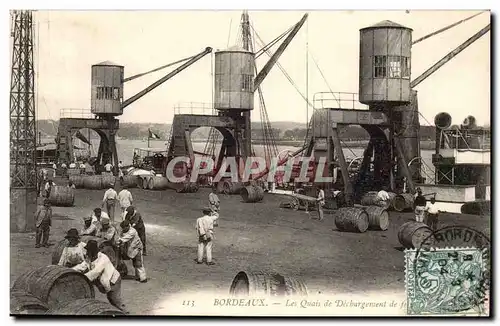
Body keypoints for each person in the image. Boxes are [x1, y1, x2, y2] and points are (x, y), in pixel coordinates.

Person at [73, 240, 127, 311]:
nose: (86, 252)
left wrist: (83, 278)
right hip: (104, 280)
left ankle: (125, 313)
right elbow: (82, 266)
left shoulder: (103, 258)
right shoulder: (89, 258)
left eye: (88, 251)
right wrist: (71, 270)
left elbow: (96, 271)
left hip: (113, 280)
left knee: (115, 300)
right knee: (111, 299)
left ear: (93, 251)